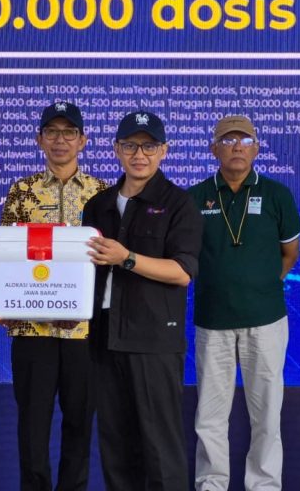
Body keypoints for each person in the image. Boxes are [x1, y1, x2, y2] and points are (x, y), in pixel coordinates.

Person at [83, 110, 202, 490]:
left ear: (164, 150)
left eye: (149, 146)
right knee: (116, 447)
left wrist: (127, 258)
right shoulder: (98, 205)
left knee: (160, 448)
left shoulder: (179, 203)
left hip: (153, 341)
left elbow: (182, 272)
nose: (139, 154)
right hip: (105, 338)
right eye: (131, 145)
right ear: (116, 149)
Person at [188, 115, 300, 491]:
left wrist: (258, 285)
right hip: (212, 321)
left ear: (256, 148)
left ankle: (264, 485)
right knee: (209, 416)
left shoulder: (276, 194)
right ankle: (211, 484)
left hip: (266, 320)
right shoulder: (194, 197)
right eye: (228, 140)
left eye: (245, 140)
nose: (237, 146)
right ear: (213, 149)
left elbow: (290, 253)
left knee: (266, 414)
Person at [0, 101, 108, 491]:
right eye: (52, 132)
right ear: (39, 139)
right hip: (33, 330)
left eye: (69, 133)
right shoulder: (21, 191)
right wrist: (8, 305)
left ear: (83, 140)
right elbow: (7, 257)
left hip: (84, 332)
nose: (60, 140)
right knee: (33, 426)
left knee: (80, 423)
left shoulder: (101, 193)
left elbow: (107, 262)